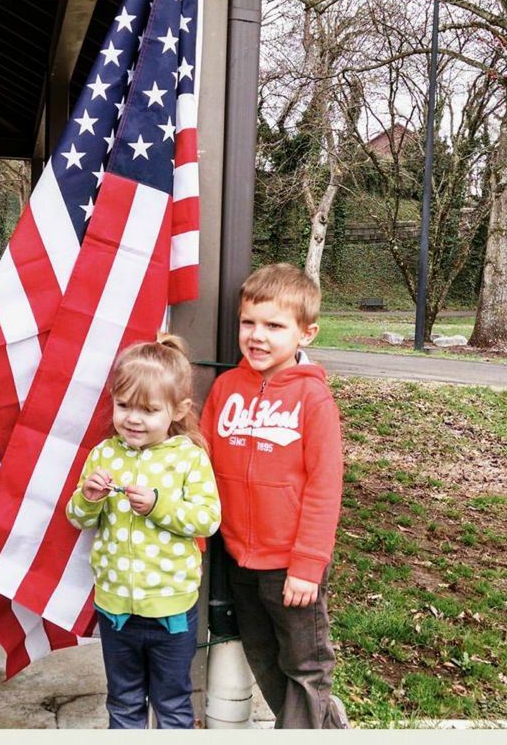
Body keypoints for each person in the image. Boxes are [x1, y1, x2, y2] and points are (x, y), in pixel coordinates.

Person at [200, 263, 348, 729]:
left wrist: (307, 565)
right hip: (240, 559)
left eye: (274, 326)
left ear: (307, 333)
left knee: (305, 666)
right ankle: (320, 728)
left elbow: (325, 488)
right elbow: (200, 463)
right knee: (263, 656)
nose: (257, 336)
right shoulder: (226, 389)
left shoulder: (314, 400)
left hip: (291, 567)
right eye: (249, 322)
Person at [66, 334, 221, 729]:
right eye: (123, 406)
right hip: (116, 611)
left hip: (170, 612)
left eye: (149, 410)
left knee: (172, 706)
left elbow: (207, 519)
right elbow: (77, 518)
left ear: (177, 409)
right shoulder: (104, 454)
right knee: (123, 703)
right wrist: (89, 496)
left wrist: (158, 506)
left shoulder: (188, 457)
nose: (132, 419)